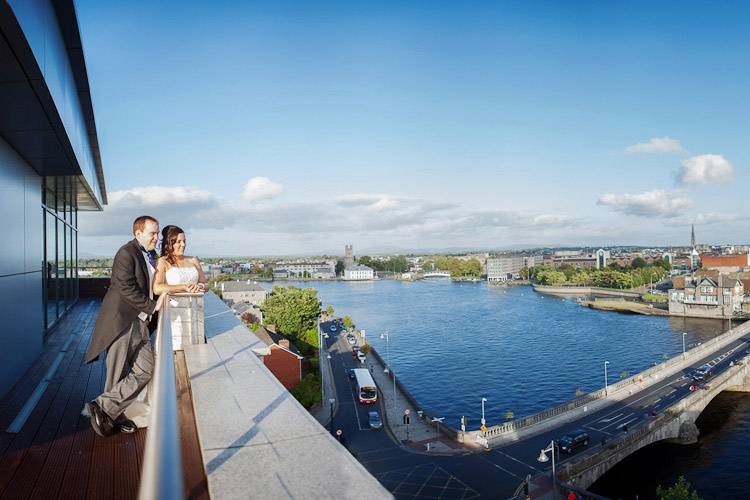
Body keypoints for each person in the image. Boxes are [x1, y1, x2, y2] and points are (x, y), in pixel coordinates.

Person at [84, 216, 166, 437]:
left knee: (146, 370)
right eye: (152, 233)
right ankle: (110, 421)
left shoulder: (153, 256)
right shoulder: (126, 252)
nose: (157, 237)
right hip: (123, 321)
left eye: (157, 233)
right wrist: (153, 306)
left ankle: (102, 406)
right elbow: (124, 287)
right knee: (117, 374)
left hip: (142, 322)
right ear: (138, 233)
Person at [152, 225, 207, 349]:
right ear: (169, 243)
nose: (183, 245)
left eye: (184, 241)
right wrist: (184, 287)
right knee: (175, 349)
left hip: (195, 311)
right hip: (173, 313)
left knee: (196, 349)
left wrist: (199, 286)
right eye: (178, 242)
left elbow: (206, 284)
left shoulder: (193, 260)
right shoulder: (162, 262)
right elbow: (157, 288)